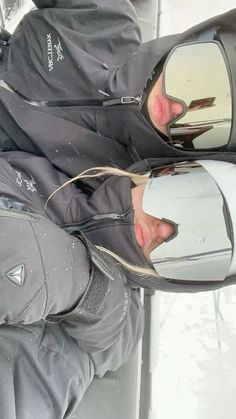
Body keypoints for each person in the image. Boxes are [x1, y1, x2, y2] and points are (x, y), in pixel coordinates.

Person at [0, 147, 236, 418]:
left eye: (195, 242)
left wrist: (72, 279)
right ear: (161, 174)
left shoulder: (104, 328)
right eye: (181, 200)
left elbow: (29, 385)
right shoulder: (52, 163)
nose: (164, 229)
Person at [0, 1, 235, 178]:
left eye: (207, 121)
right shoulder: (107, 18)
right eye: (196, 81)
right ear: (193, 41)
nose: (179, 107)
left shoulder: (112, 184)